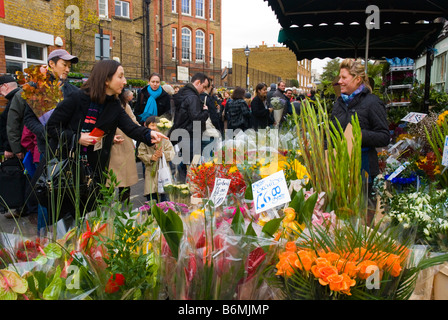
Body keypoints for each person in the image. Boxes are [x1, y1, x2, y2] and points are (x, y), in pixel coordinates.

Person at [46, 59, 167, 221]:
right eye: (120, 76)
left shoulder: (114, 105)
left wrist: (148, 134)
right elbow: (51, 127)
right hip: (66, 170)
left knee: (89, 218)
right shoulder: (77, 98)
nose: (125, 81)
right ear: (106, 79)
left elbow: (131, 128)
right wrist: (77, 138)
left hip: (93, 172)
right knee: (64, 221)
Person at [330, 58, 389, 188]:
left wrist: (360, 135)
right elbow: (330, 133)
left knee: (362, 207)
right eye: (339, 77)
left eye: (344, 77)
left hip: (363, 172)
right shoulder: (339, 103)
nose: (339, 81)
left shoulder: (372, 102)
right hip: (339, 170)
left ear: (357, 79)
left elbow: (384, 137)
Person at [169, 72, 210, 183]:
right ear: (197, 83)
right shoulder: (193, 97)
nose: (204, 90)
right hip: (191, 135)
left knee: (184, 164)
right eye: (204, 86)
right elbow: (196, 117)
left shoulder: (184, 93)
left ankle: (182, 186)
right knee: (192, 166)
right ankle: (189, 190)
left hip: (183, 134)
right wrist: (206, 112)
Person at [108, 89, 140, 204]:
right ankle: (108, 213)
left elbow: (133, 121)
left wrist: (145, 133)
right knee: (108, 182)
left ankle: (124, 211)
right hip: (109, 146)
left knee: (125, 182)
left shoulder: (122, 104)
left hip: (124, 143)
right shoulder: (100, 102)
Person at [138, 116, 175, 202]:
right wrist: (151, 157)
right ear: (146, 127)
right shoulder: (144, 141)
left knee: (164, 199)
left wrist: (162, 154)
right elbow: (141, 154)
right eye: (152, 125)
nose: (154, 128)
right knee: (151, 198)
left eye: (156, 125)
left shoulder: (165, 140)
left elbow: (171, 153)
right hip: (150, 172)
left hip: (163, 173)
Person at [0, 75, 22, 217]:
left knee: (17, 177)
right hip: (15, 146)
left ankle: (19, 207)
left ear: (5, 86)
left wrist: (10, 147)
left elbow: (13, 126)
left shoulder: (15, 99)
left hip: (14, 148)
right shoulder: (17, 97)